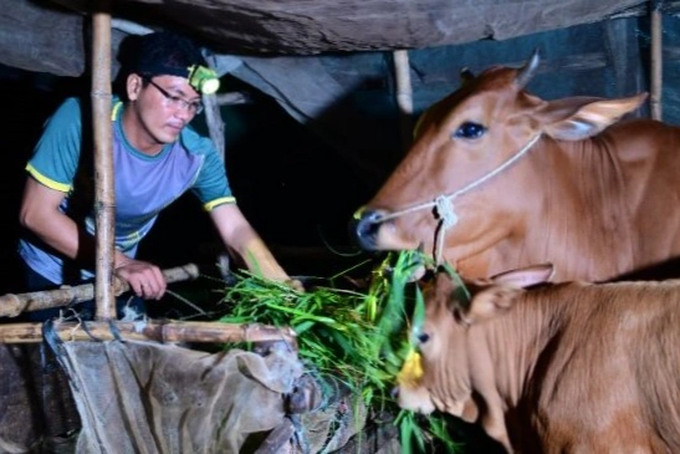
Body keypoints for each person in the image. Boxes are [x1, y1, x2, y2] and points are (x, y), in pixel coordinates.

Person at [17, 30, 297, 320]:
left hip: (122, 269)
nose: (184, 114)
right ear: (135, 86)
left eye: (193, 104)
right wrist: (121, 262)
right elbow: (35, 214)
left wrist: (285, 291)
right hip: (53, 266)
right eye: (174, 97)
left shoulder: (196, 155)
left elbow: (236, 231)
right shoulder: (81, 119)